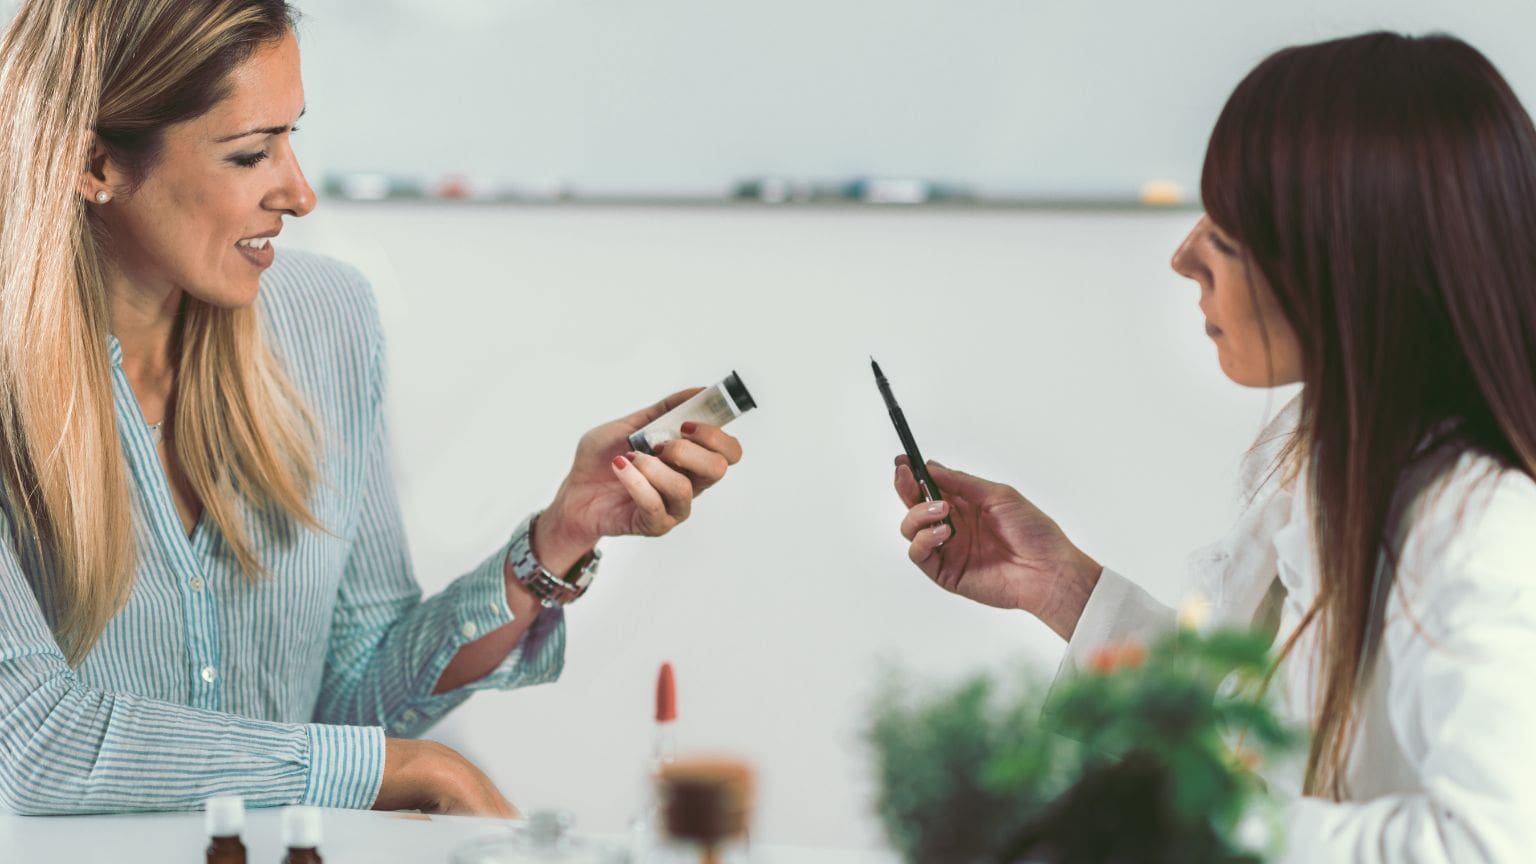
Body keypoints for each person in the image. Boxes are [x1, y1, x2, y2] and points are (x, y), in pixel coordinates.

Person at [0, 0, 743, 816]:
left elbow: (357, 700)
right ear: (96, 164)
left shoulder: (327, 320)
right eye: (250, 153)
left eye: (292, 137)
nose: (299, 193)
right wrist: (425, 773)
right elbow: (35, 745)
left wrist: (561, 535)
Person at [894, 31, 1536, 862]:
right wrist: (1062, 586)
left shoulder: (1477, 530)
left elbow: (1496, 842)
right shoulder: (1322, 463)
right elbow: (1249, 724)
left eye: (1228, 232)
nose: (1183, 257)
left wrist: (1209, 821)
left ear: (1351, 262)